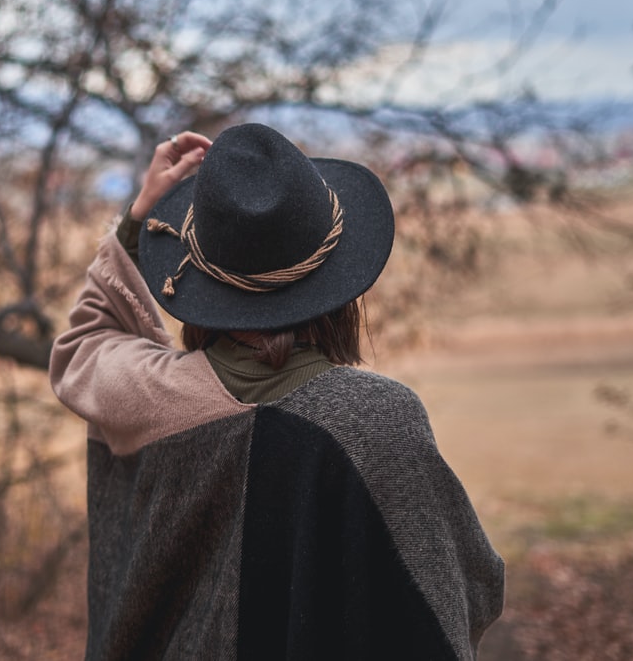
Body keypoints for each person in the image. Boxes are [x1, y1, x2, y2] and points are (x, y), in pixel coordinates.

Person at [49, 123, 504, 660]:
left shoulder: (149, 397)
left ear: (199, 279)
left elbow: (84, 344)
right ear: (339, 286)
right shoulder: (376, 422)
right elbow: (465, 588)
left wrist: (140, 216)